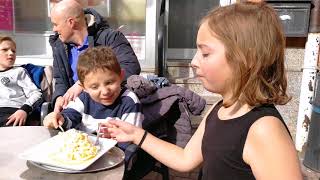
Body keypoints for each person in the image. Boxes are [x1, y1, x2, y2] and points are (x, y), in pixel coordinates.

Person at [103, 2, 303, 179]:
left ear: (247, 58)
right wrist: (137, 135)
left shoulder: (264, 130)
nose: (193, 62)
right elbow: (185, 159)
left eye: (205, 53)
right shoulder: (221, 108)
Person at [49, 0, 141, 112]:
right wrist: (59, 97)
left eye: (55, 24)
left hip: (111, 106)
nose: (54, 29)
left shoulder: (110, 38)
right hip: (75, 110)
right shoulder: (59, 46)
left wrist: (81, 85)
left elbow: (130, 67)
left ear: (71, 22)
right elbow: (60, 80)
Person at [43, 46, 143, 139]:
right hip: (84, 153)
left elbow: (132, 141)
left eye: (109, 82)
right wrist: (60, 119)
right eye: (95, 87)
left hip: (117, 156)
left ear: (121, 76)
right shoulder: (83, 98)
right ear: (84, 87)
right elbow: (70, 117)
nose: (105, 92)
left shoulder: (129, 101)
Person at [0, 36, 42, 127]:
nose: (11, 53)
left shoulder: (18, 71)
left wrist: (24, 110)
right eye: (5, 50)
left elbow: (36, 94)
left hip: (13, 113)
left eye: (13, 51)